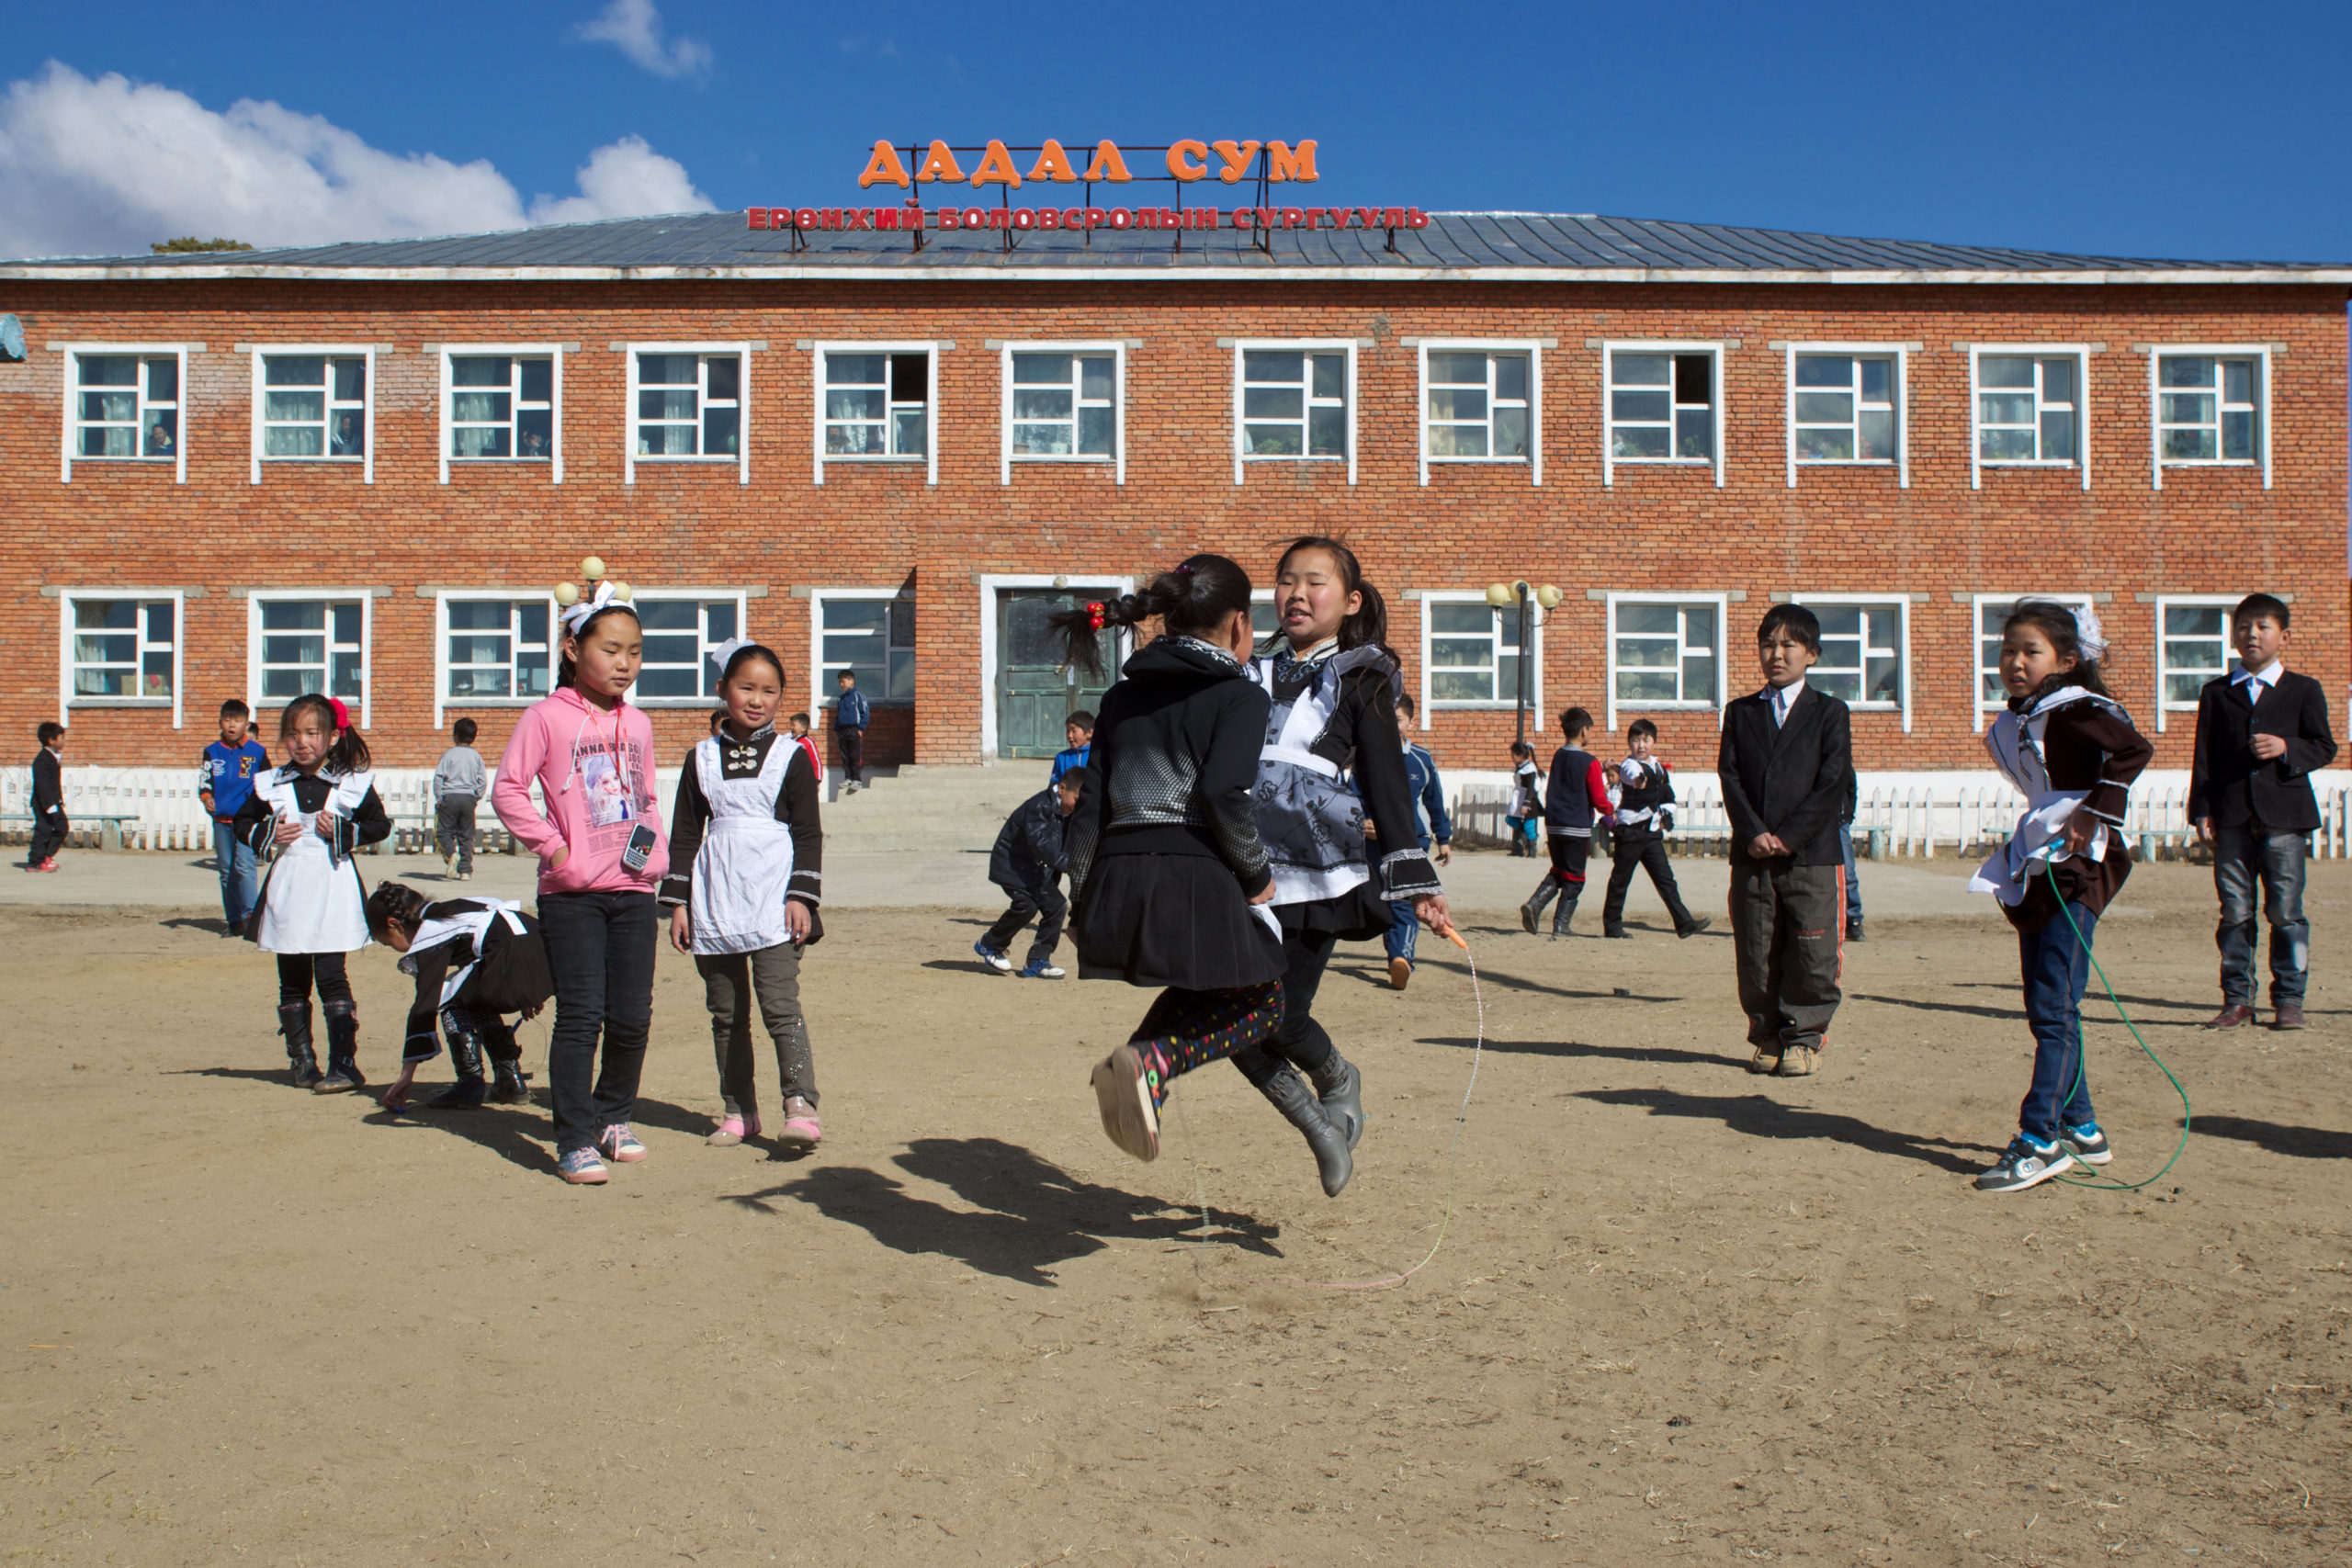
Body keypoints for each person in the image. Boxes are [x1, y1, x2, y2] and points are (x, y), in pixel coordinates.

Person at [1057, 556, 1317, 1185]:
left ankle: (1138, 1065)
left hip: (1116, 876)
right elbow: (1224, 796)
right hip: (1191, 873)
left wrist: (1082, 896)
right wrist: (1257, 877)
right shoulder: (1238, 695)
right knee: (1265, 1003)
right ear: (1237, 625)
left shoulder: (1119, 696)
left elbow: (1090, 806)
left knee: (1209, 988)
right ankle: (1153, 1060)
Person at [1247, 536, 1454, 1186]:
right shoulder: (1246, 670)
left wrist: (1415, 878)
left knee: (1274, 1014)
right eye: (1285, 580)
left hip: (1316, 867)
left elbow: (1389, 780)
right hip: (1243, 862)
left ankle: (1336, 1074)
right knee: (1231, 1013)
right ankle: (1318, 1119)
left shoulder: (1364, 673)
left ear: (1351, 599)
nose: (1297, 593)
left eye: (1315, 581)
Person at [1966, 602, 2154, 1192]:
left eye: (2031, 651)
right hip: (2040, 860)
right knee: (2048, 1004)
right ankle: (2082, 1125)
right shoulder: (2022, 718)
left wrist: (2095, 808)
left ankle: (2039, 1139)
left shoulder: (2074, 709)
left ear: (2067, 661)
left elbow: (2133, 750)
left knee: (2055, 1007)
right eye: (2007, 650)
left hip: (2080, 863)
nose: (2015, 662)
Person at [492, 565, 669, 1186]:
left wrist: (653, 857)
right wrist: (553, 847)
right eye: (611, 649)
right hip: (571, 897)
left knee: (633, 1015)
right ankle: (572, 1138)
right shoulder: (546, 717)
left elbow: (646, 798)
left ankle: (613, 1115)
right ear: (574, 649)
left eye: (636, 652)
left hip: (632, 891)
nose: (625, 663)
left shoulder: (639, 724)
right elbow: (509, 789)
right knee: (582, 1015)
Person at [662, 640, 828, 1152]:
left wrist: (802, 896)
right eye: (746, 688)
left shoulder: (791, 757)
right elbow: (686, 833)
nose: (757, 700)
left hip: (774, 898)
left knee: (780, 1005)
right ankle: (739, 1109)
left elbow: (808, 831)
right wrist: (679, 903)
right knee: (725, 1012)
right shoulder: (700, 759)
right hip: (715, 897)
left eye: (769, 691)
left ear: (781, 699)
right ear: (723, 691)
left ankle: (800, 1104)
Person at [2189, 592, 2338, 1032]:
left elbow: (2325, 746)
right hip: (2230, 815)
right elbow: (2204, 757)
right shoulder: (2216, 693)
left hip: (2284, 815)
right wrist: (2201, 809)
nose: (2251, 635)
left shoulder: (2303, 689)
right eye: (2242, 628)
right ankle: (2238, 999)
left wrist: (2286, 747)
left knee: (2285, 912)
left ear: (2283, 636)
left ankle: (2289, 999)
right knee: (2235, 911)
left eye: (2262, 627)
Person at [1718, 604, 1855, 1078]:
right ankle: (1768, 1034)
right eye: (1767, 645)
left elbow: (1833, 781)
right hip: (1752, 854)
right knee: (1756, 950)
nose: (1775, 655)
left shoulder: (1831, 713)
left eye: (1787, 646)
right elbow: (1730, 777)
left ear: (1811, 654)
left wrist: (1790, 836)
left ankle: (1804, 1036)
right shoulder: (1740, 712)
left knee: (1812, 950)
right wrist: (1753, 832)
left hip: (1811, 854)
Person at [234, 694, 390, 1093]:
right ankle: (302, 1061)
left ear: (334, 736)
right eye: (292, 734)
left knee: (332, 975)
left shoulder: (351, 783)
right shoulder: (270, 783)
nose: (301, 742)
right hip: (288, 890)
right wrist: (266, 832)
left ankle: (344, 1064)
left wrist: (344, 831)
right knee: (291, 979)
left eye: (311, 733)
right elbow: (242, 821)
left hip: (332, 889)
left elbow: (379, 824)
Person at [365, 882, 546, 1112]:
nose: (390, 946)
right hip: (545, 962)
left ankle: (469, 1083)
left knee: (448, 995)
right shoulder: (457, 908)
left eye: (386, 940)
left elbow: (425, 1004)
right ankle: (510, 1079)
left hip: (517, 967)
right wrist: (532, 989)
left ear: (395, 924)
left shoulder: (433, 931)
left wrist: (406, 1075)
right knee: (471, 991)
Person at [1600, 719, 1711, 941]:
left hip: (1650, 834)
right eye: (1635, 740)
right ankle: (1612, 926)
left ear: (1654, 742)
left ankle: (1684, 923)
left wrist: (1667, 815)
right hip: (1630, 832)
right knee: (1620, 880)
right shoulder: (1629, 766)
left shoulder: (1659, 768)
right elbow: (1634, 779)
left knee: (1666, 879)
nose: (1641, 745)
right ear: (1629, 744)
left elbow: (1667, 796)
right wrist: (1640, 781)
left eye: (1646, 740)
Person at [977, 768, 1084, 979]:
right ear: (1062, 789)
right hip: (1012, 866)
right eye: (1077, 799)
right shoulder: (1039, 807)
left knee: (1056, 906)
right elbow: (1041, 844)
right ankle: (989, 944)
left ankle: (1037, 961)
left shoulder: (1069, 812)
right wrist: (1070, 864)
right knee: (1026, 906)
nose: (1079, 805)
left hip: (1036, 871)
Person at [1379, 694, 1453, 989]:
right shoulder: (1370, 756)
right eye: (1387, 720)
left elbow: (1435, 800)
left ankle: (1402, 959)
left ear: (1410, 722)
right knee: (1381, 903)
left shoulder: (1421, 759)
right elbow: (1353, 795)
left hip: (1413, 842)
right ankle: (1397, 954)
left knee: (1405, 902)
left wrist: (1443, 838)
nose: (1392, 726)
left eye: (1397, 719)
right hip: (1376, 842)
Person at [1521, 706, 1610, 938]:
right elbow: (1598, 798)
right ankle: (1561, 923)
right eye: (1590, 730)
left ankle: (1535, 903)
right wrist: (1611, 809)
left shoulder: (1558, 756)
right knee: (1576, 877)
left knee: (1560, 871)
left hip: (1555, 825)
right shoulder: (1590, 762)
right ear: (1583, 731)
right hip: (1577, 827)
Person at [198, 701, 269, 931]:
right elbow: (205, 780)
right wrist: (206, 796)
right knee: (226, 870)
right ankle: (235, 920)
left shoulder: (257, 752)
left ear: (246, 724)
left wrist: (264, 810)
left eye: (237, 721)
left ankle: (251, 917)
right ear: (220, 721)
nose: (232, 725)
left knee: (245, 866)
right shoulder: (212, 751)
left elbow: (267, 783)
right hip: (221, 821)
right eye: (227, 720)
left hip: (246, 822)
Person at [433, 717, 488, 882]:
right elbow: (482, 781)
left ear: (455, 735)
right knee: (466, 835)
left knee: (443, 833)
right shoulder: (476, 756)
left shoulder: (448, 755)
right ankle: (465, 871)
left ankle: (451, 855)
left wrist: (439, 797)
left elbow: (439, 777)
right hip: (468, 798)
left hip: (449, 796)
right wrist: (476, 796)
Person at [27, 722, 67, 873]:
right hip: (44, 803)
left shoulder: (54, 757)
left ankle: (47, 855)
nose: (64, 741)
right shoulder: (42, 760)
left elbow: (54, 783)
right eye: (61, 738)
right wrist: (49, 805)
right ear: (51, 740)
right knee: (43, 830)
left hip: (54, 802)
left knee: (62, 827)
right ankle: (35, 862)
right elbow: (42, 785)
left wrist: (59, 801)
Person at [1503, 740, 1543, 856]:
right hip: (1518, 797)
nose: (1512, 758)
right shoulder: (1520, 767)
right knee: (1510, 819)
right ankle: (1524, 841)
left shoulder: (1529, 769)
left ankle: (1532, 851)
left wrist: (1526, 804)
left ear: (1521, 755)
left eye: (1514, 755)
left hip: (1529, 800)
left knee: (1529, 824)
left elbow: (1530, 788)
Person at [833, 670, 870, 792]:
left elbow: (865, 713)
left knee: (854, 756)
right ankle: (848, 778)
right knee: (845, 756)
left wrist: (861, 728)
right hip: (842, 731)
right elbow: (838, 715)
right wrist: (837, 730)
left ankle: (857, 780)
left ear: (851, 681)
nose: (841, 684)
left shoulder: (858, 696)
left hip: (854, 730)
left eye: (843, 681)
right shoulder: (840, 699)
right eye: (840, 682)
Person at [1839, 774, 1865, 942]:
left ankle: (1853, 919)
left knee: (1848, 873)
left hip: (1838, 821)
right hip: (1813, 820)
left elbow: (1851, 786)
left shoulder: (1839, 754)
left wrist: (1847, 814)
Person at [1050, 713, 1094, 785]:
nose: (1069, 735)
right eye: (1068, 731)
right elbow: (1054, 783)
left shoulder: (1097, 755)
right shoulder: (1061, 757)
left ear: (1089, 733)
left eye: (1074, 731)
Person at [785, 712, 823, 778]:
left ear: (803, 728)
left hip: (804, 778)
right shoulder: (790, 741)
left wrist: (817, 780)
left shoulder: (808, 743)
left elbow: (816, 763)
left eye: (794, 725)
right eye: (791, 725)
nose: (791, 727)